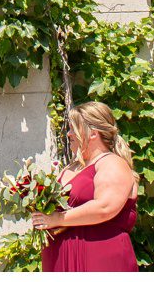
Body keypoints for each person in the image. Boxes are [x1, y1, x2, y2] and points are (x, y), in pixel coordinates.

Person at [32, 100, 139, 272]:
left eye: (73, 128)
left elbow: (105, 207)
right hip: (59, 261)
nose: (68, 134)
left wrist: (57, 219)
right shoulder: (71, 167)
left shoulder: (111, 163)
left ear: (93, 133)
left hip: (99, 260)